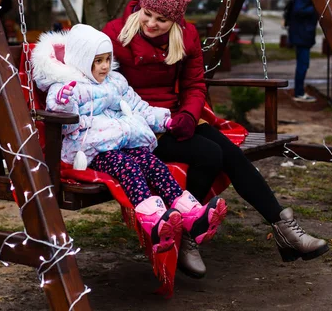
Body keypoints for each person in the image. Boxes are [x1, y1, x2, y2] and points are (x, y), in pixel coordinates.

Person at [102, 0, 328, 278]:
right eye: (148, 14)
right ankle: (187, 234)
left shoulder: (186, 36)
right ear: (140, 7)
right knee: (209, 153)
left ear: (177, 20)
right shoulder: (115, 33)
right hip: (135, 128)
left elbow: (194, 84)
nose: (152, 24)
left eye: (162, 20)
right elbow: (99, 82)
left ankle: (283, 225)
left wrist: (188, 116)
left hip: (173, 120)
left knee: (226, 152)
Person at [31, 24, 227, 254]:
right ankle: (153, 223)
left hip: (124, 140)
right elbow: (60, 115)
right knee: (129, 167)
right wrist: (64, 102)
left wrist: (163, 120)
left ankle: (192, 215)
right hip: (93, 149)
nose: (105, 66)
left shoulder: (115, 81)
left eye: (107, 59)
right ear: (81, 60)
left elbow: (138, 106)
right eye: (98, 61)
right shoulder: (67, 86)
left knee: (153, 164)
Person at [287, 0, 318, 102]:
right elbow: (298, 10)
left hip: (303, 33)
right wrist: (316, 6)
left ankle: (299, 91)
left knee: (303, 64)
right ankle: (299, 92)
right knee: (303, 64)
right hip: (302, 34)